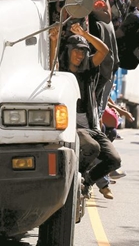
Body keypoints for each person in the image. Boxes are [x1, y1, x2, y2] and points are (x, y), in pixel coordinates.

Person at [50, 23, 122, 200]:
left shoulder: (88, 69)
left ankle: (86, 182)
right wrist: (53, 40)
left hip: (92, 126)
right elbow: (53, 62)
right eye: (76, 50)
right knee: (92, 148)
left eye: (83, 51)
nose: (79, 54)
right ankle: (73, 178)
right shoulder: (62, 73)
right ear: (68, 51)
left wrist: (85, 34)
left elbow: (104, 51)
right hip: (73, 126)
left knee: (114, 160)